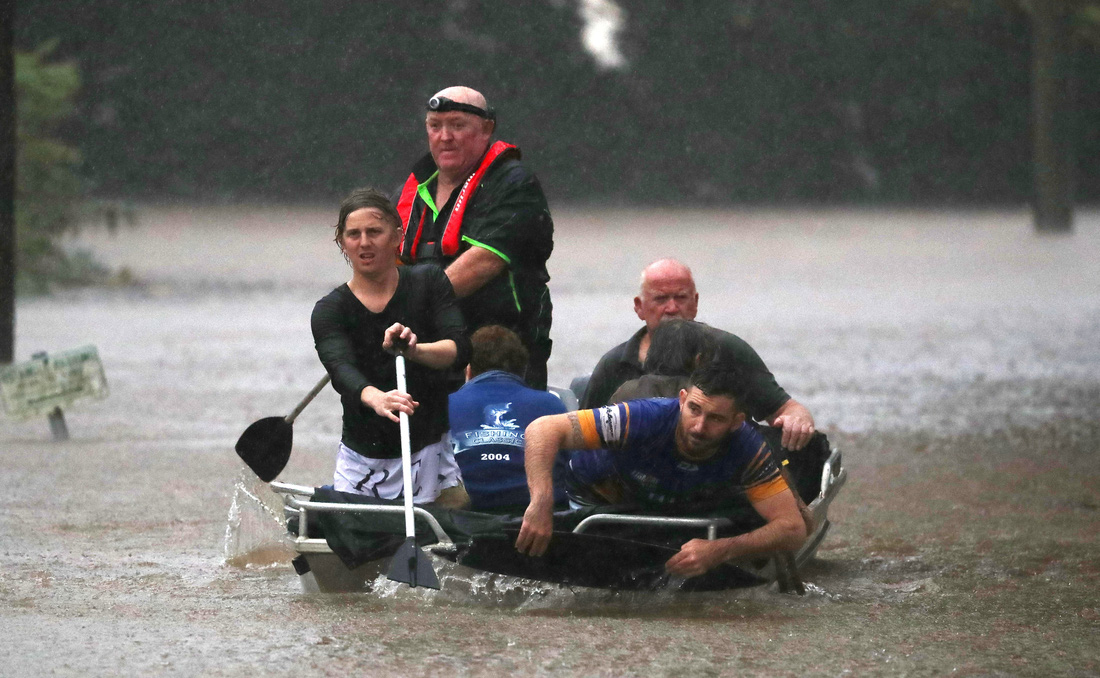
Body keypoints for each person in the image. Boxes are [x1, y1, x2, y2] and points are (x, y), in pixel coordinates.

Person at [515, 361, 808, 578]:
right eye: (694, 409)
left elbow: (793, 528)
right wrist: (540, 502)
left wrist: (720, 550)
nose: (699, 427)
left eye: (716, 419)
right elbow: (542, 429)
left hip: (673, 504)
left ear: (736, 421)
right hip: (601, 496)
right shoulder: (641, 417)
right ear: (682, 399)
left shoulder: (748, 448)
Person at [311, 187, 472, 506]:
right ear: (342, 242)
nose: (364, 242)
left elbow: (459, 350)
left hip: (431, 449)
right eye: (353, 234)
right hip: (363, 457)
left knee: (453, 522)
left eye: (374, 232)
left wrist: (416, 351)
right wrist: (377, 397)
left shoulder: (429, 282)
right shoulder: (330, 310)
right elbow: (341, 370)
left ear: (398, 235)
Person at [393, 85, 554, 389]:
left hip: (501, 353)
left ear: (486, 129)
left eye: (457, 125)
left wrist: (413, 305)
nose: (445, 136)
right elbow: (389, 260)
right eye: (435, 126)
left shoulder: (515, 183)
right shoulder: (412, 189)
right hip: (428, 349)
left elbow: (485, 260)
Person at [581, 258, 817, 451]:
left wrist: (797, 421)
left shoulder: (729, 351)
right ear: (639, 307)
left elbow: (787, 408)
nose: (672, 308)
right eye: (661, 299)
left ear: (695, 303)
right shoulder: (615, 364)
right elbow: (582, 434)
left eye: (681, 298)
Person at [447, 325, 571, 512]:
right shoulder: (553, 406)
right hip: (542, 527)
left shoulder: (444, 406)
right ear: (523, 370)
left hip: (464, 527)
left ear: (468, 371)